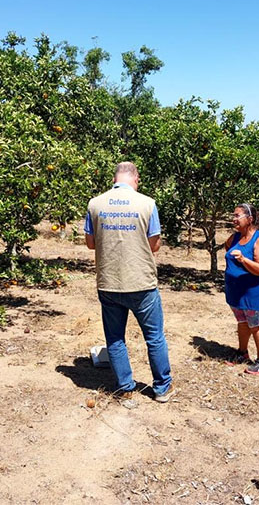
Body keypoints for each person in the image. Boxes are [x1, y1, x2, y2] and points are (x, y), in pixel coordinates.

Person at [84, 162, 174, 403]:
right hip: (141, 282)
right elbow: (154, 246)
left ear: (115, 178)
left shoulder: (95, 203)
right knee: (154, 337)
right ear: (136, 178)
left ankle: (125, 388)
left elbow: (90, 243)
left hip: (109, 282)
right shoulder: (147, 203)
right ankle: (161, 388)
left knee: (115, 338)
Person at [223, 203, 259, 374]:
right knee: (243, 322)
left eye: (238, 216)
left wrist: (244, 260)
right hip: (235, 291)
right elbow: (227, 248)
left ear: (250, 219)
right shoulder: (236, 237)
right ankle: (242, 353)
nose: (234, 219)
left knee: (256, 325)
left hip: (253, 292)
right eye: (233, 215)